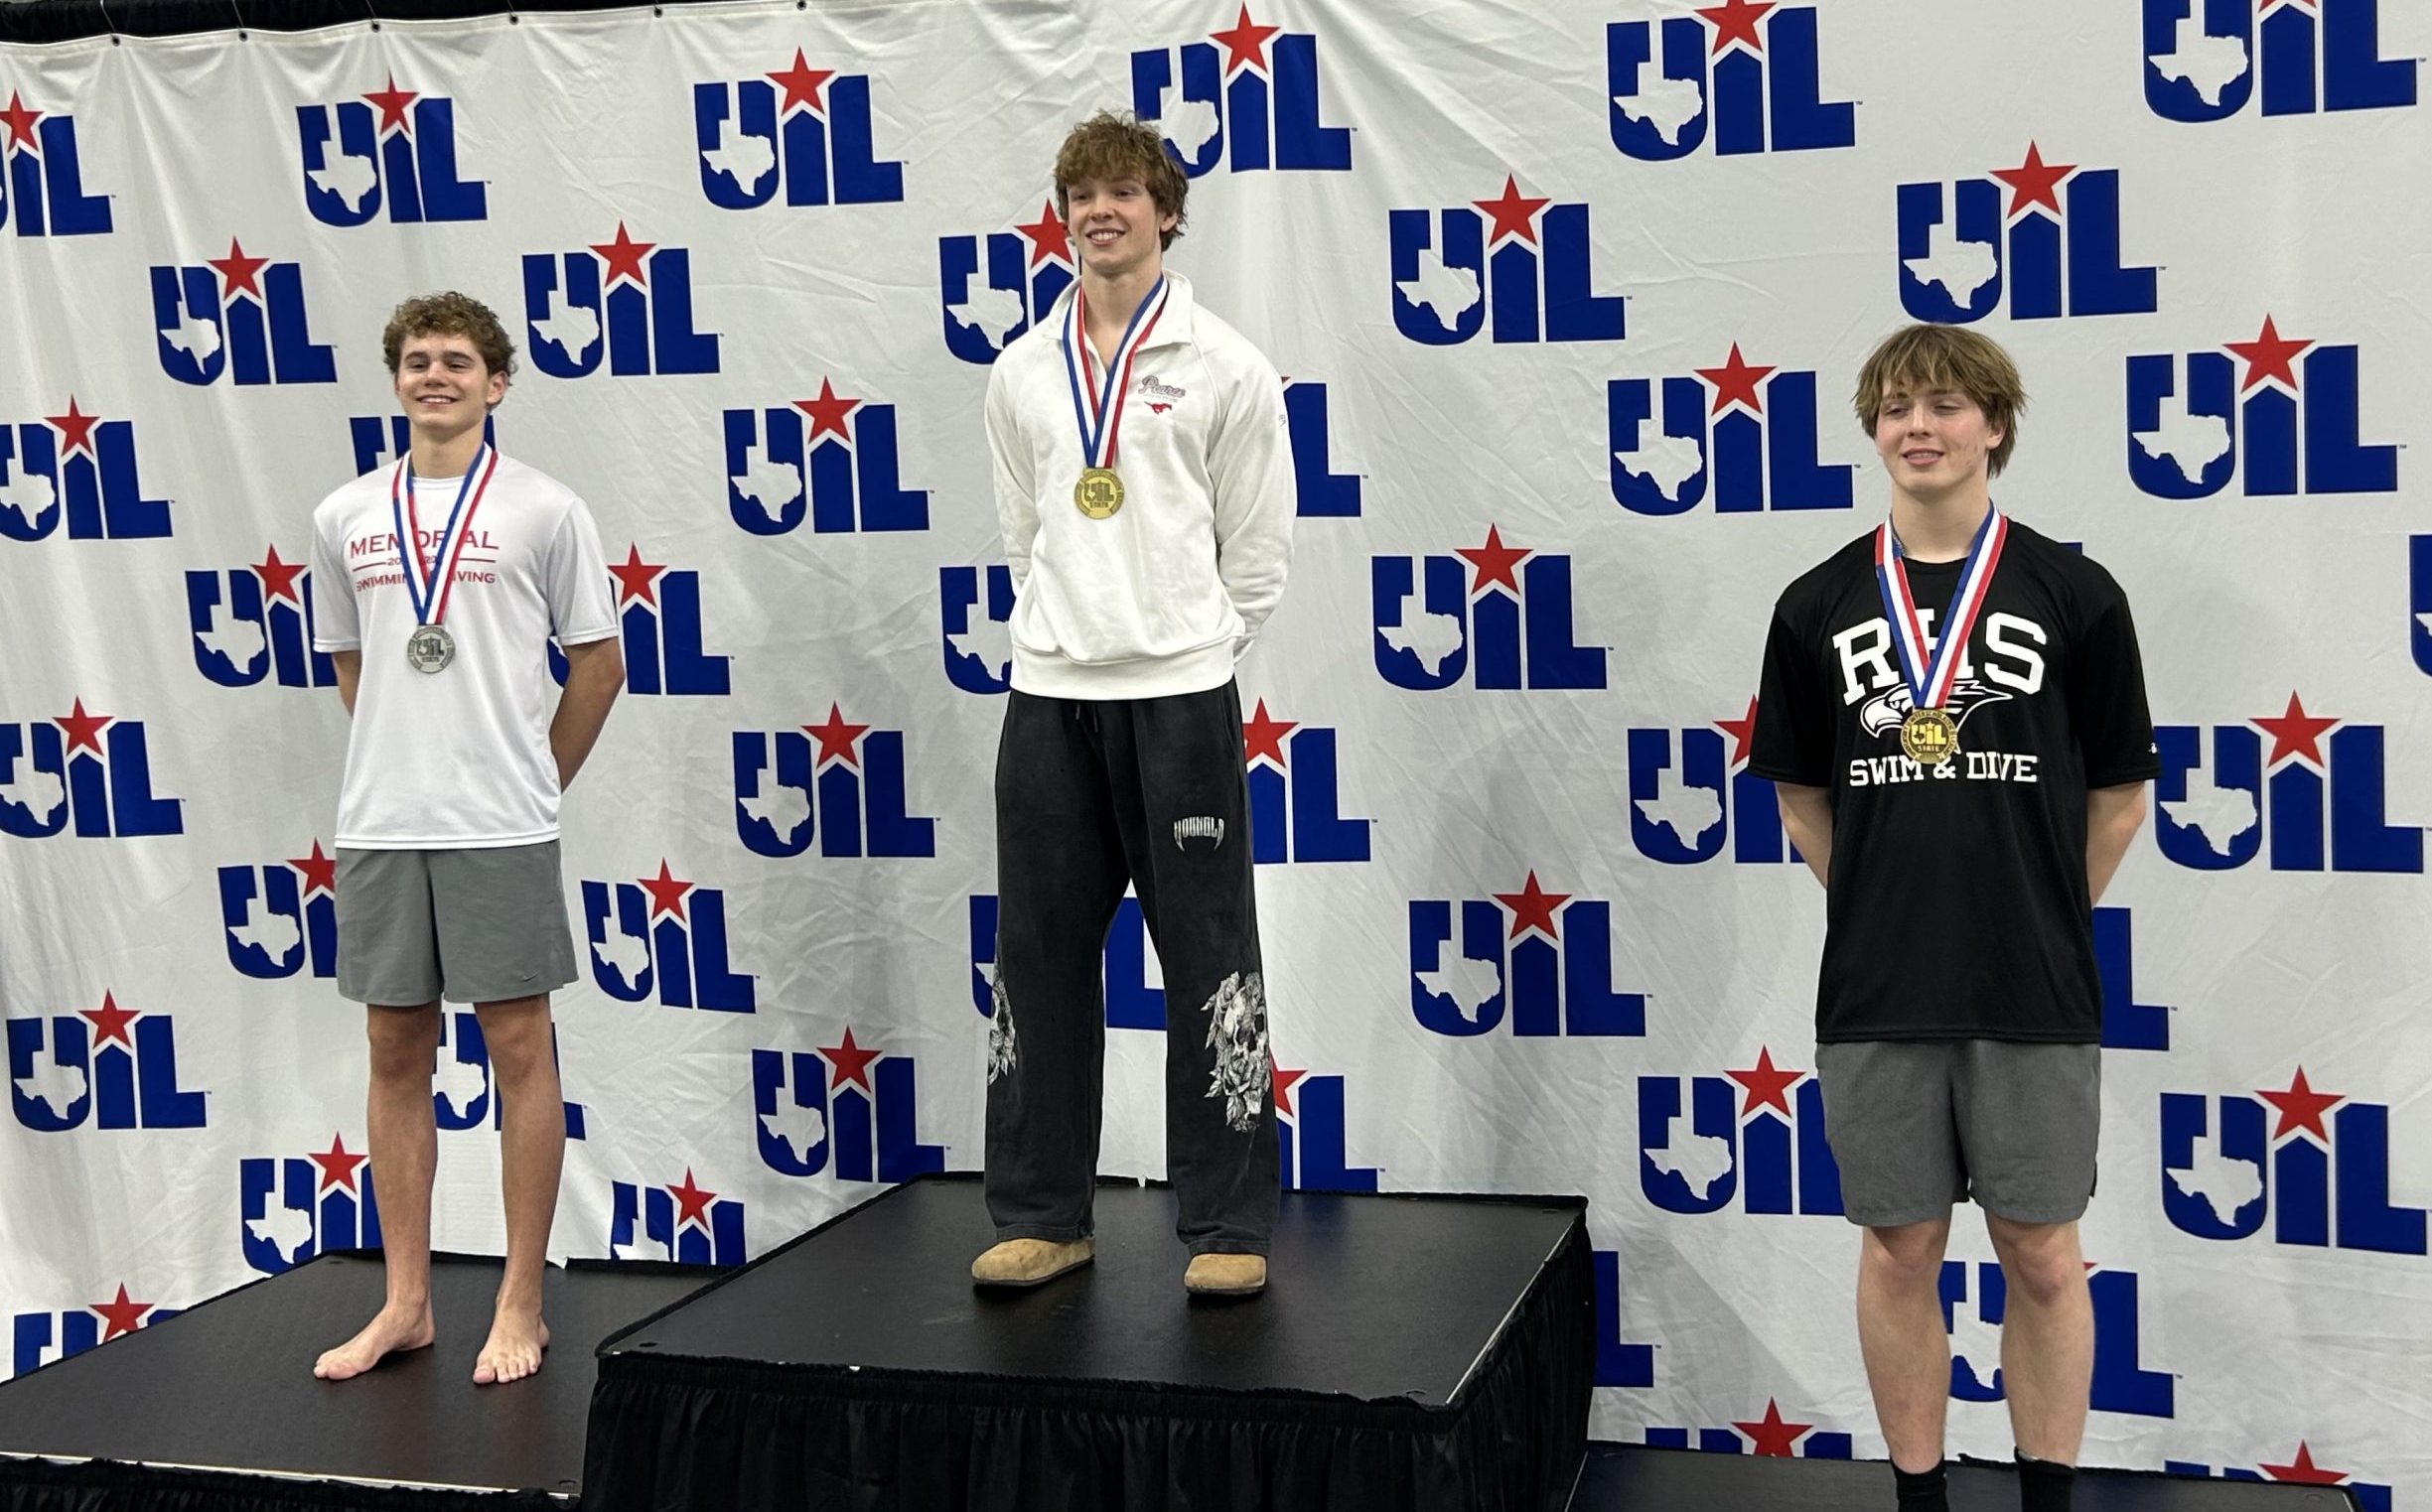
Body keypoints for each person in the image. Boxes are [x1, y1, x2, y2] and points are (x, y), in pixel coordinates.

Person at [1749, 324, 2155, 1512]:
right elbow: (1800, 796)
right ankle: (1918, 1499)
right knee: (1898, 1247)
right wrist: (1889, 902)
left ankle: (2046, 1498)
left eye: (1942, 404)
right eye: (1894, 408)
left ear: (1994, 424)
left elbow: (2120, 796)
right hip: (1878, 986)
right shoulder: (1814, 601)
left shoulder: (2076, 593)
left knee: (2043, 1252)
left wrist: (2035, 909)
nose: (1916, 426)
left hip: (2032, 984)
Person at [974, 110, 1295, 1298]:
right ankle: (1042, 1213)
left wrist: (1180, 644)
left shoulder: (1225, 365)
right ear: (1062, 217)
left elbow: (1255, 553)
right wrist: (1080, 632)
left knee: (1211, 959)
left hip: (1179, 700)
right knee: (1037, 959)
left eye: (1123, 192)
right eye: (1082, 194)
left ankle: (1226, 1221)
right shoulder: (1022, 369)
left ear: (1166, 212)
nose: (1100, 211)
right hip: (1048, 694)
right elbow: (1025, 531)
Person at [305, 292, 623, 1384]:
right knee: (394, 1051)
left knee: (519, 1049)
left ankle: (520, 1302)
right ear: (395, 379)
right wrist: (411, 761)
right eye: (415, 359)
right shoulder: (345, 514)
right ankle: (406, 1303)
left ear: (497, 382)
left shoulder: (546, 508)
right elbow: (354, 665)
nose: (433, 375)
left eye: (455, 360)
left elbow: (599, 664)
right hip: (382, 822)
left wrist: (530, 778)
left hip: (500, 825)